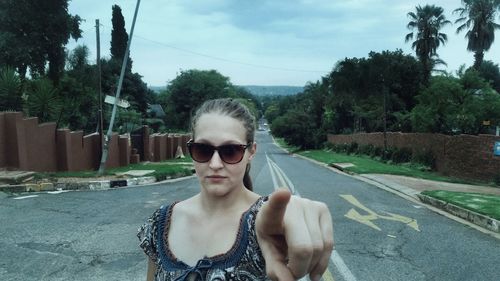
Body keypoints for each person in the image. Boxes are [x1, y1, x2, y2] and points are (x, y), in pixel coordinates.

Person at [138, 98, 333, 281]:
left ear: (251, 152)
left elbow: (284, 223)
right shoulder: (161, 223)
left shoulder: (269, 222)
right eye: (203, 150)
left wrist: (295, 216)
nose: (215, 164)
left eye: (230, 151)